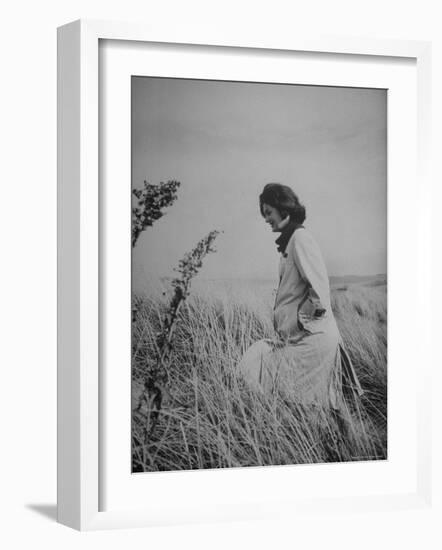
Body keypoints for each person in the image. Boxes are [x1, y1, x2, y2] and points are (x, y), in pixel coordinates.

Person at [238, 183, 362, 410]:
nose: (266, 219)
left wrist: (298, 322)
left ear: (282, 207)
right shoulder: (292, 239)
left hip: (312, 339)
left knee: (263, 373)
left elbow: (320, 291)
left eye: (268, 213)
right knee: (302, 403)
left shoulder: (300, 238)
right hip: (306, 337)